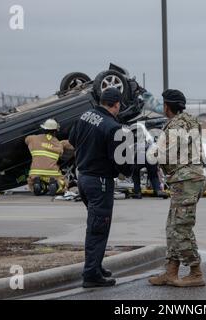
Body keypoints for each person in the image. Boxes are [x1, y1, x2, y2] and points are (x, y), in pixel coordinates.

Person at [68, 88, 133, 288]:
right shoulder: (113, 127)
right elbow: (122, 163)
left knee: (96, 224)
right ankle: (91, 274)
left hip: (83, 179)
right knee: (98, 228)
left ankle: (96, 266)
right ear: (116, 105)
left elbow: (72, 141)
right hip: (100, 182)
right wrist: (128, 171)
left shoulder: (85, 116)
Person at [148, 89, 206, 287]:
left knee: (180, 228)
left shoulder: (176, 125)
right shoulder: (190, 120)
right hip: (187, 179)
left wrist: (152, 153)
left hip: (186, 180)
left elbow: (165, 153)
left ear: (167, 106)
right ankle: (171, 271)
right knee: (173, 227)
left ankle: (196, 272)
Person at [25, 119, 73, 196]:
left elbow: (26, 140)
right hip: (52, 172)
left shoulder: (33, 139)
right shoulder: (58, 144)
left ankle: (39, 185)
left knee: (31, 183)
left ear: (44, 129)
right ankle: (55, 185)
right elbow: (61, 154)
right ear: (55, 131)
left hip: (35, 172)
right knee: (64, 184)